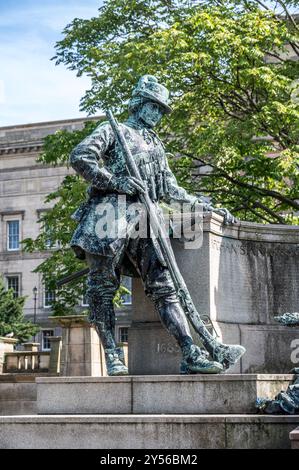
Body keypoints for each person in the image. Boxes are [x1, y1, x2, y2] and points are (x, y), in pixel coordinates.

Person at [69, 74, 245, 376]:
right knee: (101, 290)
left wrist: (203, 205)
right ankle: (112, 354)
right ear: (139, 103)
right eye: (155, 107)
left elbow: (168, 187)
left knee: (165, 287)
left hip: (146, 219)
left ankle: (190, 351)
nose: (158, 114)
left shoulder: (153, 144)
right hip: (106, 218)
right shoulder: (115, 130)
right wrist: (116, 182)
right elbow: (80, 157)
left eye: (162, 110)